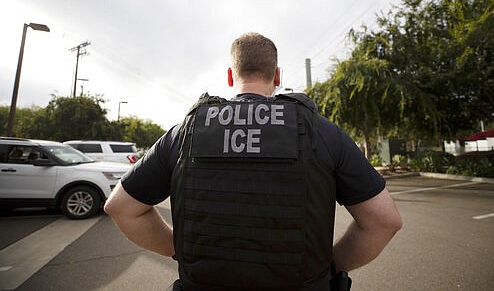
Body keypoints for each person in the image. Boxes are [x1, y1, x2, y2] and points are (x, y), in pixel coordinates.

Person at [104, 32, 402, 291]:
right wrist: (332, 264)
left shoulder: (187, 131)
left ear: (231, 76)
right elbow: (384, 221)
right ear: (278, 76)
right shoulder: (321, 131)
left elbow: (120, 207)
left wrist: (177, 249)